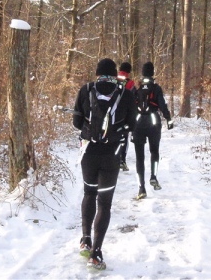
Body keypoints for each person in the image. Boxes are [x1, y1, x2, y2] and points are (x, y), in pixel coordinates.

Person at [72, 58, 137, 270]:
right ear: (114, 74)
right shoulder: (125, 94)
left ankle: (85, 239)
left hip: (89, 152)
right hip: (111, 154)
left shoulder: (86, 90)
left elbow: (76, 122)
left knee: (89, 193)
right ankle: (96, 254)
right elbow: (132, 124)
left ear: (97, 73)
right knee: (105, 203)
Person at [132, 61, 173, 200]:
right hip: (153, 122)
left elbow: (131, 106)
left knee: (139, 157)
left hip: (138, 123)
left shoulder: (137, 88)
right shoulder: (156, 88)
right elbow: (162, 105)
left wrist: (128, 124)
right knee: (154, 151)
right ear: (152, 73)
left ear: (143, 73)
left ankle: (141, 188)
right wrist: (168, 119)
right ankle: (153, 176)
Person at [117, 61, 136, 172]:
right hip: (124, 115)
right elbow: (133, 101)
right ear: (129, 71)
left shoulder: (113, 79)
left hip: (112, 114)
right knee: (124, 137)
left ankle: (112, 159)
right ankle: (122, 160)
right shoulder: (130, 83)